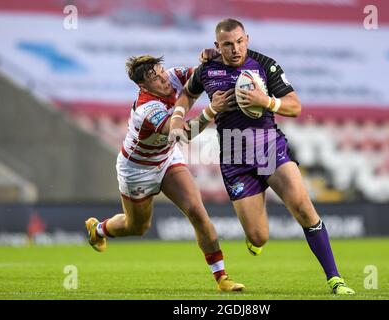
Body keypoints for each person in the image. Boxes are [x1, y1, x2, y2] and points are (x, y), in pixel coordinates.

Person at [170, 18, 355, 295]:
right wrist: (178, 116)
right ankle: (255, 236)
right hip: (234, 155)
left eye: (240, 42)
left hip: (268, 146)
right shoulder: (207, 69)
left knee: (303, 208)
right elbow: (186, 95)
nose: (235, 49)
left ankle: (335, 279)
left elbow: (295, 106)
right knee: (258, 236)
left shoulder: (263, 65)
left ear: (248, 39)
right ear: (216, 46)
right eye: (228, 44)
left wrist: (266, 102)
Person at [85, 54, 244, 292]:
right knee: (137, 227)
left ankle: (222, 277)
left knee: (197, 212)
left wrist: (214, 60)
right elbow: (183, 134)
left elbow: (206, 76)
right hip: (137, 170)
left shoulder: (173, 76)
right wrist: (212, 110)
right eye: (154, 78)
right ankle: (98, 229)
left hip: (167, 159)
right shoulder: (147, 108)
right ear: (143, 85)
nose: (163, 78)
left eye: (160, 71)